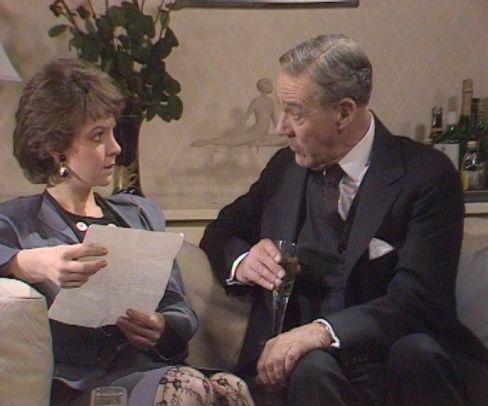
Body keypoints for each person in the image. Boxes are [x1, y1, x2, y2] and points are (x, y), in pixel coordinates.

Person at [200, 34, 488, 405]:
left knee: (415, 353)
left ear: (344, 112)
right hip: (307, 373)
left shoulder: (426, 175)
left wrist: (322, 331)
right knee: (310, 368)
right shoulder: (284, 168)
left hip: (397, 362)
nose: (281, 127)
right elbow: (222, 230)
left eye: (296, 113)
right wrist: (243, 261)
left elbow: (418, 299)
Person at [0, 58, 253, 406]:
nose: (116, 148)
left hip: (146, 369)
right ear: (55, 148)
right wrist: (28, 263)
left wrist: (161, 326)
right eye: (97, 136)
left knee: (230, 387)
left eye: (113, 132)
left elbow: (178, 307)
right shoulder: (18, 221)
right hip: (77, 386)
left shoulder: (137, 215)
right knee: (188, 387)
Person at [191, 78, 285, 147]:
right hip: (255, 132)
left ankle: (259, 143)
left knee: (285, 139)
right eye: (270, 84)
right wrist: (237, 131)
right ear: (263, 86)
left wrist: (282, 132)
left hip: (263, 134)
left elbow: (276, 121)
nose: (272, 86)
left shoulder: (271, 102)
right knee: (232, 141)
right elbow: (245, 117)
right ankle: (206, 142)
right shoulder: (257, 101)